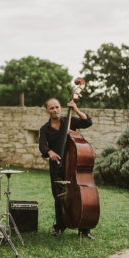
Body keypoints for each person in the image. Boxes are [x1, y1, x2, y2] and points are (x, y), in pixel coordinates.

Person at [39, 98, 94, 239]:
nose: (55, 110)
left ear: (60, 108)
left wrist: (75, 109)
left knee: (79, 195)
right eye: (51, 108)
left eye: (57, 107)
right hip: (56, 167)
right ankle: (59, 226)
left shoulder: (70, 121)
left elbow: (88, 122)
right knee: (59, 197)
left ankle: (84, 228)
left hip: (72, 165)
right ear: (47, 111)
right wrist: (50, 152)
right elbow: (42, 146)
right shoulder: (44, 129)